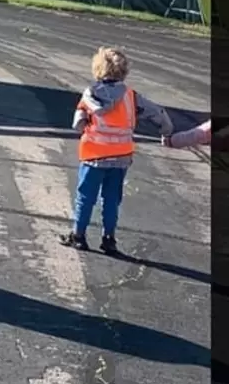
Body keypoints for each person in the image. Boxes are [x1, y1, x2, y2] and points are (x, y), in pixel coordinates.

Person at [60, 46, 173, 255]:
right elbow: (158, 113)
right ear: (124, 71)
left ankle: (79, 235)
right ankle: (109, 238)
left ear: (97, 69)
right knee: (112, 199)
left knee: (85, 197)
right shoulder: (131, 96)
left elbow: (77, 124)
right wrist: (167, 131)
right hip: (121, 157)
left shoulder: (89, 95)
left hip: (93, 156)